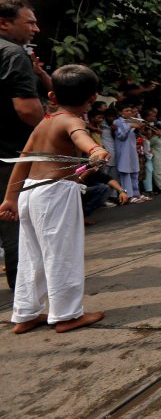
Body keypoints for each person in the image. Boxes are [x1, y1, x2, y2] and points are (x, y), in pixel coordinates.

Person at [1, 64, 108, 333]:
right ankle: (66, 315)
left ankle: (26, 313)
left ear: (51, 97)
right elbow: (80, 136)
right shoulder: (72, 120)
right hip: (54, 195)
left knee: (32, 256)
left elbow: (24, 160)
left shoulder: (44, 123)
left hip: (30, 192)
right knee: (62, 254)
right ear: (92, 99)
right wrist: (95, 150)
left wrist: (10, 198)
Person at [0, 0, 44, 291]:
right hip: (10, 157)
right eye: (29, 22)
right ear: (4, 22)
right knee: (17, 229)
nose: (36, 29)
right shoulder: (14, 54)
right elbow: (28, 111)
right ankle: (25, 303)